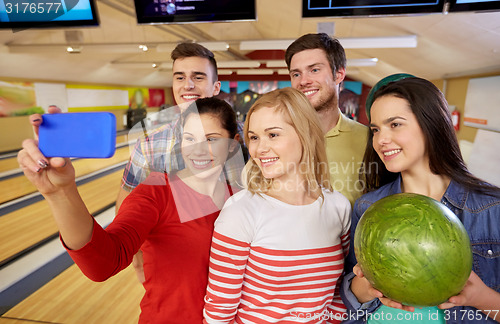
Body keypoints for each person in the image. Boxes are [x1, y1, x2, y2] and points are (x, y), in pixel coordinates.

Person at [18, 97, 244, 323]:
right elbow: (103, 263)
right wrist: (60, 192)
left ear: (233, 144)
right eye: (189, 138)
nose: (198, 150)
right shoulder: (157, 192)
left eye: (211, 140)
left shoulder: (239, 199)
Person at [341, 74, 500, 323]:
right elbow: (352, 299)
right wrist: (365, 287)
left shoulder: (492, 208)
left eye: (395, 124)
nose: (381, 140)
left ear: (431, 124)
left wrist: (480, 297)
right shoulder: (368, 207)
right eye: (375, 129)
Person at [203, 87, 351, 323]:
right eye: (254, 137)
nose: (260, 149)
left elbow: (336, 294)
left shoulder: (338, 207)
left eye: (273, 135)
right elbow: (219, 313)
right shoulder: (240, 211)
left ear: (306, 134)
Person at [117, 42, 245, 282]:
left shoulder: (248, 139)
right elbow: (127, 204)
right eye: (180, 77)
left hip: (239, 271)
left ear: (216, 86)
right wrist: (138, 262)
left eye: (198, 77)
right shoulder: (149, 145)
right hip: (177, 273)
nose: (187, 85)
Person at [285, 33, 368, 207]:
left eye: (314, 70)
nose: (304, 81)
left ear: (339, 74)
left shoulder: (369, 140)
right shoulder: (277, 137)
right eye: (296, 74)